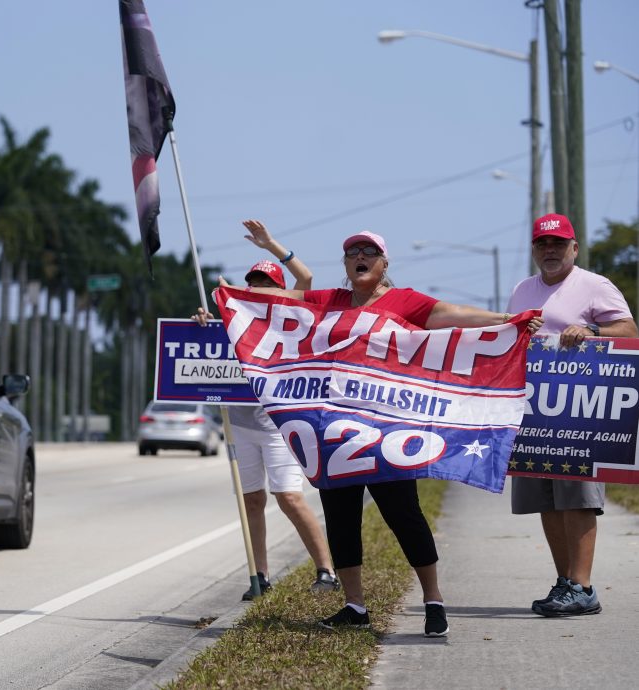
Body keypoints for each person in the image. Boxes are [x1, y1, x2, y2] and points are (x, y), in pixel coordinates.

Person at [223, 229, 543, 637]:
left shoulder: (403, 301)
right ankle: (355, 606)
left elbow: (452, 314)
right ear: (345, 264)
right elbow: (283, 301)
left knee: (403, 513)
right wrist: (233, 293)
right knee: (340, 517)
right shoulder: (331, 301)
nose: (360, 256)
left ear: (384, 262)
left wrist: (506, 320)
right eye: (352, 252)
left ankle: (433, 600)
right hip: (336, 430)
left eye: (369, 251)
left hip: (389, 429)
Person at [195, 220, 340, 601]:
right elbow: (205, 343)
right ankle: (260, 577)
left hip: (278, 422)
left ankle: (326, 570)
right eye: (253, 284)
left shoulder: (290, 316)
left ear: (278, 290)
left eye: (267, 284)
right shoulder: (235, 320)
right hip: (239, 423)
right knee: (252, 501)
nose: (259, 290)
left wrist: (271, 244)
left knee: (289, 496)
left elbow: (305, 277)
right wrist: (203, 325)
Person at [507, 213, 637, 618]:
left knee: (578, 499)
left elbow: (630, 331)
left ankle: (583, 586)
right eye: (543, 244)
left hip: (579, 414)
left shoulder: (593, 285)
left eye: (559, 244)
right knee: (547, 499)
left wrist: (593, 332)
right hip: (535, 413)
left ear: (574, 249)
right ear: (534, 250)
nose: (550, 250)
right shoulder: (522, 290)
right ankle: (565, 583)